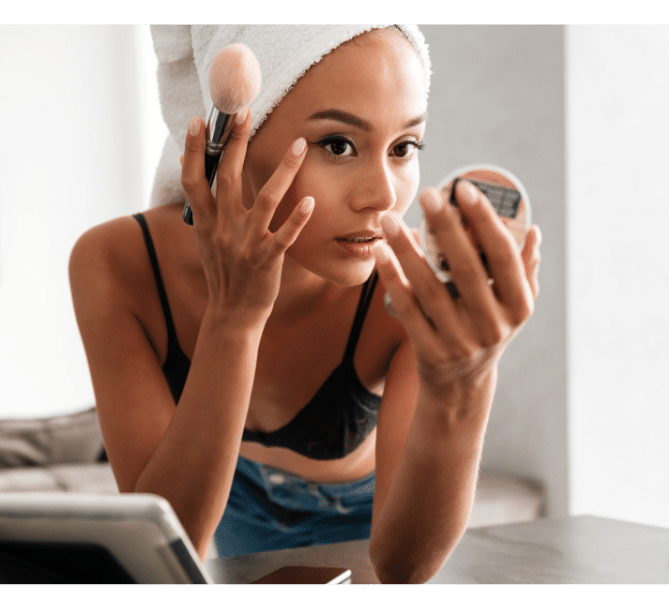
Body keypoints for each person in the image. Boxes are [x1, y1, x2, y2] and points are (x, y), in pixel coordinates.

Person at [69, 24, 541, 584]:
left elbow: (403, 569)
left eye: (403, 147)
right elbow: (168, 550)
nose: (384, 196)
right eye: (338, 145)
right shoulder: (119, 265)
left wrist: (464, 380)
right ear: (236, 141)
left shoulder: (403, 292)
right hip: (224, 510)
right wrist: (234, 319)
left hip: (362, 520)